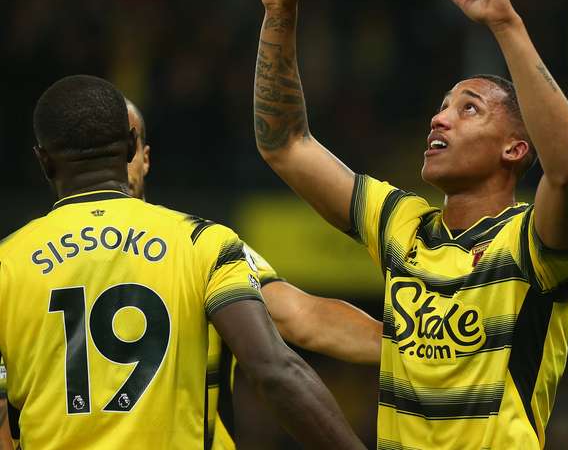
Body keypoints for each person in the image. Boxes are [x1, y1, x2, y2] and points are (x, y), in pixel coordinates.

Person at [245, 0, 568, 450]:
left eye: (469, 108)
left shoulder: (535, 245)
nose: (440, 117)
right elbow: (285, 144)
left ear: (514, 149)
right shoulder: (401, 222)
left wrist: (504, 22)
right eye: (443, 105)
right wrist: (279, 13)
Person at [0, 75, 365, 449]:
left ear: (43, 160)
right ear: (130, 146)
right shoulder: (203, 244)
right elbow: (275, 368)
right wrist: (412, 345)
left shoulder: (7, 264)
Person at [124, 99, 381, 449]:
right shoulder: (200, 243)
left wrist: (418, 343)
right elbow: (296, 327)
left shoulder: (22, 256)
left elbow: (301, 316)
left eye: (125, 146)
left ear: (145, 156)